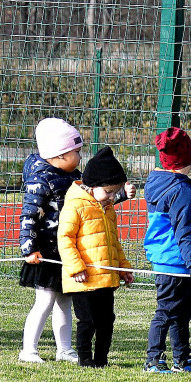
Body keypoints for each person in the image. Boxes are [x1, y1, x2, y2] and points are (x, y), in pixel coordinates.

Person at [19, 118, 136, 364]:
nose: (80, 157)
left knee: (65, 301)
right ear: (59, 155)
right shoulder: (40, 180)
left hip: (69, 256)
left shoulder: (75, 177)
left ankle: (64, 349)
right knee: (45, 300)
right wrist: (28, 247)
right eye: (76, 152)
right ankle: (29, 350)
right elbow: (28, 215)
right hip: (47, 253)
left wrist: (122, 195)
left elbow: (97, 200)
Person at [58, 147, 134, 367]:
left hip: (106, 277)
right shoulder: (75, 206)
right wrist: (76, 268)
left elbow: (113, 243)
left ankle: (101, 359)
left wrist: (123, 268)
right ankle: (84, 359)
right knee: (87, 321)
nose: (113, 197)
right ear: (92, 187)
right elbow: (65, 239)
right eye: (109, 192)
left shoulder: (107, 208)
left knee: (106, 321)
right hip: (83, 279)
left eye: (115, 192)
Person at [142, 128, 191, 374]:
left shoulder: (157, 183)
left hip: (168, 259)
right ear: (187, 159)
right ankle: (153, 359)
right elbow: (184, 230)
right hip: (174, 261)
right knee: (167, 311)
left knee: (182, 312)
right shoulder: (183, 191)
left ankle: (183, 358)